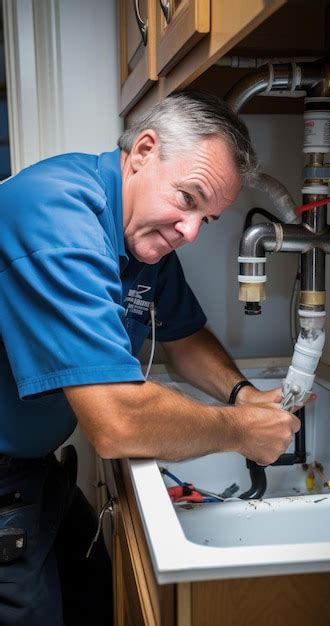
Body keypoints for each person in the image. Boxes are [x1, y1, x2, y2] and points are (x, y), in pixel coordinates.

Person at [0, 90, 300, 625]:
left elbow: (184, 338)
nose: (188, 232)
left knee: (93, 592)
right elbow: (115, 420)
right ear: (142, 151)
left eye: (206, 219)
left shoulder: (142, 236)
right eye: (189, 198)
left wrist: (245, 395)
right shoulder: (57, 216)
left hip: (34, 470)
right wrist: (240, 430)